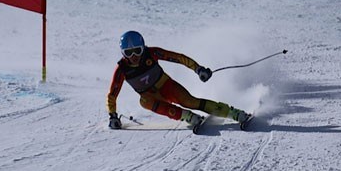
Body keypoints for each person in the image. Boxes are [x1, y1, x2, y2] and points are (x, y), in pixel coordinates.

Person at [107, 31, 251, 130]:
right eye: (128, 53)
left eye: (137, 51)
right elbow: (112, 95)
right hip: (150, 96)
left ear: (143, 47)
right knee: (144, 101)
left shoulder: (152, 53)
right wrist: (112, 116)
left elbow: (178, 58)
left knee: (190, 102)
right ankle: (187, 117)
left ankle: (234, 113)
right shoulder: (122, 69)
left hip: (165, 85)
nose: (134, 56)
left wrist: (198, 69)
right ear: (123, 53)